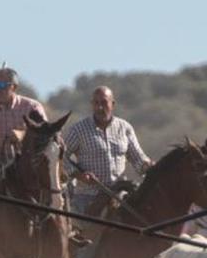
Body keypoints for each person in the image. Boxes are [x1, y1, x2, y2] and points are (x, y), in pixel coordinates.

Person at [62, 86, 152, 215]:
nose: (100, 108)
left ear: (112, 104)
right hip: (88, 198)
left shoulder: (125, 128)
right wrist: (79, 175)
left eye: (104, 103)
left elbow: (137, 157)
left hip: (119, 198)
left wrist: (147, 166)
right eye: (96, 103)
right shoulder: (79, 130)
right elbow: (61, 157)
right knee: (82, 232)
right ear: (92, 104)